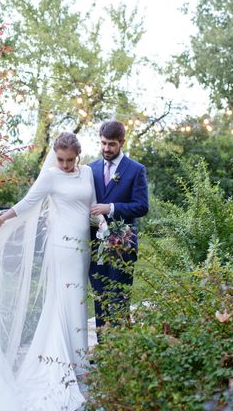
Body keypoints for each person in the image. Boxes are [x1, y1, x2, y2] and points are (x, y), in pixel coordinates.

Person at [0, 132, 102, 411]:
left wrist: (101, 221)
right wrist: (1, 219)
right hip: (61, 246)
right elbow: (28, 202)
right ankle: (70, 361)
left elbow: (91, 205)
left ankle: (77, 358)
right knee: (66, 297)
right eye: (61, 159)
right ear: (55, 155)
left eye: (69, 160)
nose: (64, 164)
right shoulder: (51, 176)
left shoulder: (87, 173)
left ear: (78, 156)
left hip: (82, 247)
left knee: (78, 299)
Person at [89, 120, 149, 332]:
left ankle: (122, 354)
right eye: (103, 143)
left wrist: (110, 208)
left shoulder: (135, 170)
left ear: (122, 142)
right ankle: (104, 352)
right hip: (95, 247)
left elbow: (142, 206)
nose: (106, 148)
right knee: (100, 299)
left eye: (111, 144)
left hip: (123, 246)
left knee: (119, 301)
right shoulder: (90, 169)